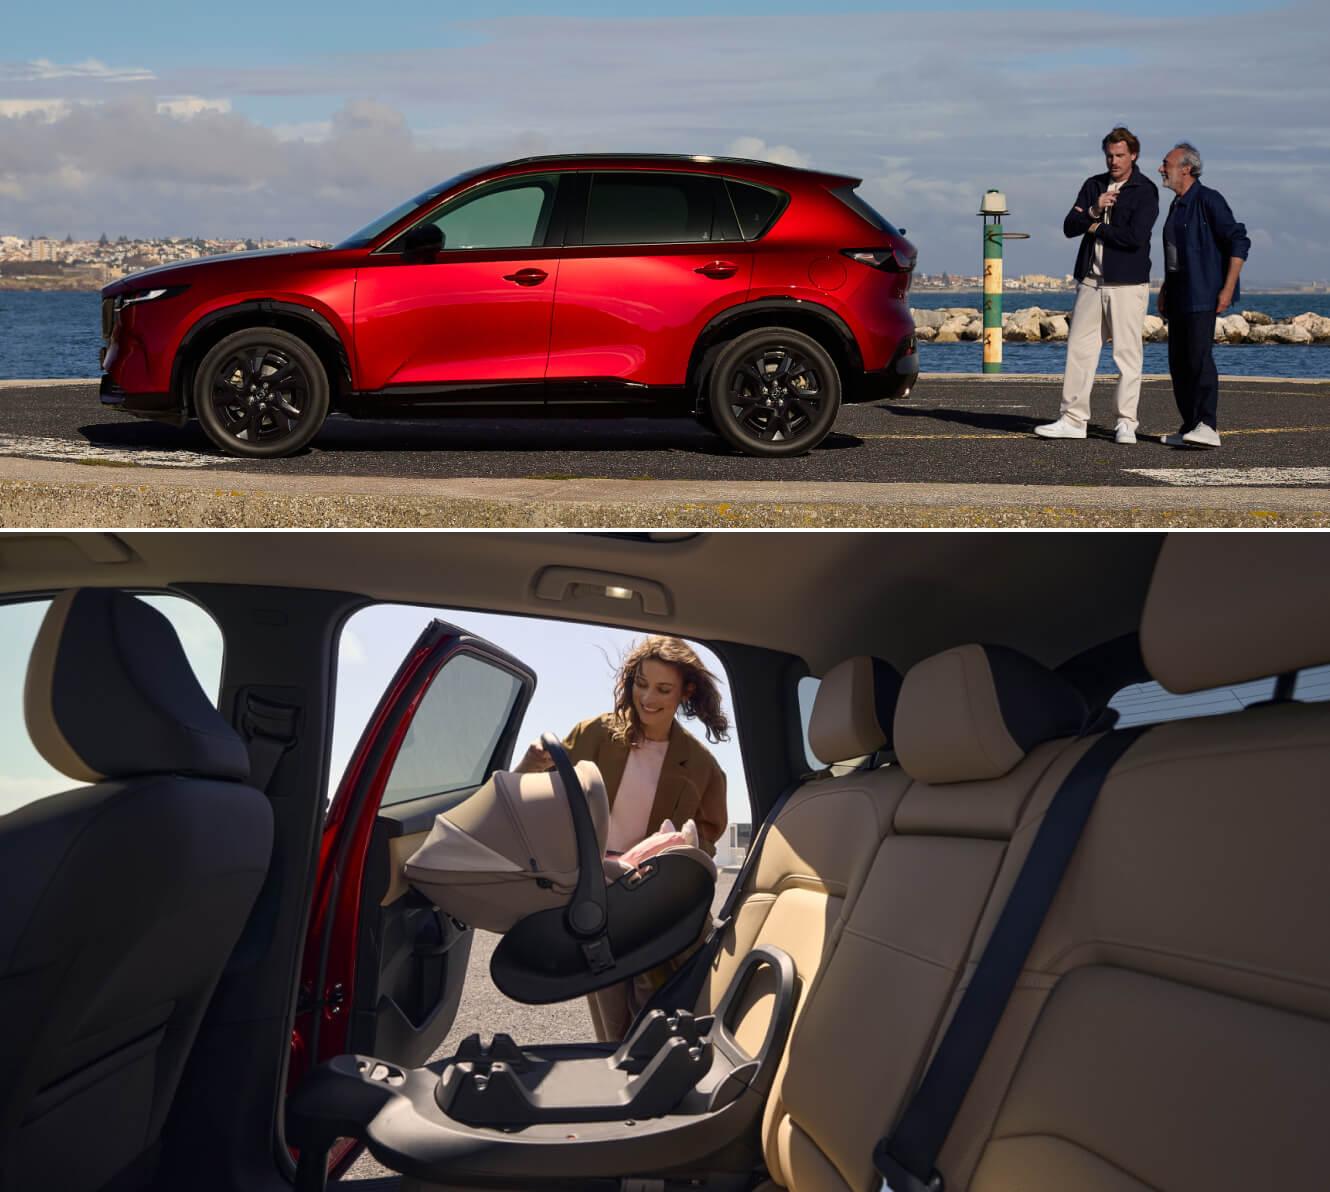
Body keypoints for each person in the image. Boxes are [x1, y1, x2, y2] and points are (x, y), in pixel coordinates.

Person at [515, 635, 729, 1041]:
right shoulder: (594, 734)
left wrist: (676, 856)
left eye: (663, 689)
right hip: (596, 892)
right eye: (641, 684)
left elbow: (707, 836)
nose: (647, 698)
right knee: (611, 1020)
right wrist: (528, 763)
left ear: (686, 692)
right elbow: (528, 795)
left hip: (652, 897)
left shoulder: (703, 766)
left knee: (655, 1009)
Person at [1036, 127, 1159, 444]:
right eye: (1109, 155)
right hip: (1090, 282)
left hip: (1127, 284)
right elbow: (1069, 226)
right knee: (1079, 351)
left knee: (1127, 355)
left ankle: (1126, 423)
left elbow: (1135, 238)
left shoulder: (1145, 190)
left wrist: (1094, 227)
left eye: (1120, 155)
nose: (1113, 161)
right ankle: (1073, 420)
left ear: (1133, 155)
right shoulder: (1093, 185)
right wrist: (1093, 210)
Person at [1156, 142, 1250, 448]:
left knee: (1199, 360)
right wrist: (1165, 289)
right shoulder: (1176, 205)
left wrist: (1227, 288)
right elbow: (1175, 254)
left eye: (1166, 164)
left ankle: (1207, 425)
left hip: (1203, 294)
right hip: (1178, 295)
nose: (1161, 169)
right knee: (1179, 363)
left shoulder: (1209, 199)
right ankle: (1190, 427)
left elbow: (1239, 241)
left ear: (1186, 168)